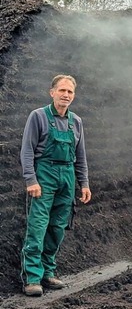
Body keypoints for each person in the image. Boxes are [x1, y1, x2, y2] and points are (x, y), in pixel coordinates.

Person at [20, 75, 92, 297]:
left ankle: (48, 273)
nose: (66, 95)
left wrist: (84, 183)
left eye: (70, 92)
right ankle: (32, 278)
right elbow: (27, 150)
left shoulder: (76, 121)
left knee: (58, 227)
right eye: (62, 90)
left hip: (67, 176)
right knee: (38, 225)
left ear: (74, 95)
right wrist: (31, 180)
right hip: (45, 175)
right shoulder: (38, 116)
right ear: (52, 92)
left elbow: (80, 156)